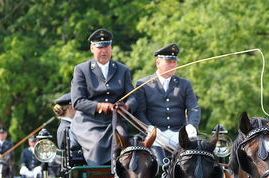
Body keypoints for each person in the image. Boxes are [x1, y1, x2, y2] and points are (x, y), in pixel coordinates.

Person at [70, 28, 138, 165]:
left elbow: (133, 97)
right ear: (92, 48)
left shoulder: (122, 70)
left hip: (115, 121)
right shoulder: (81, 70)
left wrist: (127, 106)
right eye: (99, 47)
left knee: (124, 140)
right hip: (89, 122)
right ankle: (98, 177)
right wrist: (100, 106)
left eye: (106, 47)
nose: (103, 51)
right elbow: (77, 101)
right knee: (97, 143)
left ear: (111, 48)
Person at [134, 43, 201, 164]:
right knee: (159, 163)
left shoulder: (184, 84)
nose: (173, 65)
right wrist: (149, 129)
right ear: (158, 63)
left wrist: (191, 125)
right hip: (156, 135)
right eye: (169, 62)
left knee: (194, 159)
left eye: (174, 62)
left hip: (179, 133)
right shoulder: (143, 84)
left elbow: (193, 107)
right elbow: (139, 112)